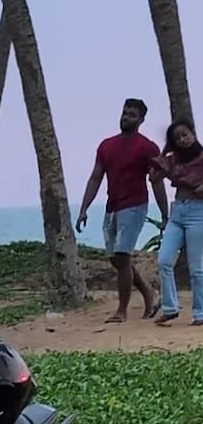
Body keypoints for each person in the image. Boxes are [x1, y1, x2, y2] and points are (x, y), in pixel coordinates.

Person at [76, 98, 168, 322]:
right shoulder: (107, 145)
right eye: (125, 113)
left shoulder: (147, 147)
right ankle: (150, 293)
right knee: (116, 260)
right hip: (112, 206)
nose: (126, 117)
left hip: (135, 205)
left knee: (122, 255)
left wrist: (165, 214)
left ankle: (121, 311)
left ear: (141, 120)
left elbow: (156, 181)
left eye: (132, 115)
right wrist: (84, 208)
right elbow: (96, 177)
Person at [151, 119, 203, 326]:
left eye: (185, 134)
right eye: (177, 138)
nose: (182, 139)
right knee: (164, 259)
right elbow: (154, 177)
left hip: (198, 211)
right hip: (178, 211)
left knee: (196, 267)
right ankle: (170, 308)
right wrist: (164, 153)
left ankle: (200, 313)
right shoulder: (173, 160)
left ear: (193, 134)